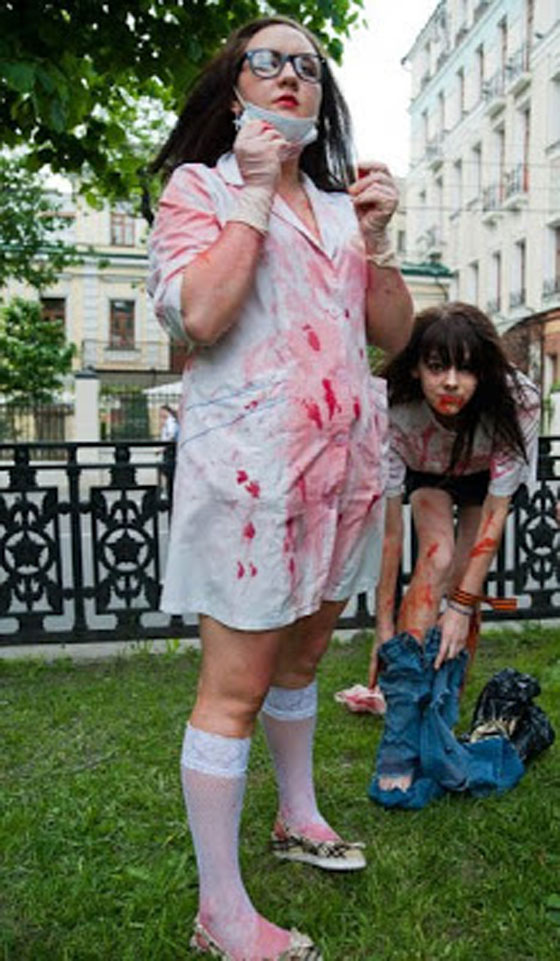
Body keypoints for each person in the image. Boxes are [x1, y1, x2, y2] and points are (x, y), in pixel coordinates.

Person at [148, 15, 413, 960]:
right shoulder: (201, 189)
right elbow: (201, 315)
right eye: (269, 61)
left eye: (309, 64)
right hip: (250, 478)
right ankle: (220, 911)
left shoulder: (341, 209)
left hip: (339, 474)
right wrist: (256, 196)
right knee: (234, 688)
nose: (292, 74)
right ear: (236, 92)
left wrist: (377, 240)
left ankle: (297, 814)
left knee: (301, 660)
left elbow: (393, 336)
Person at [369, 302, 540, 793]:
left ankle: (445, 706)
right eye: (437, 366)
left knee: (466, 580)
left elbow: (496, 513)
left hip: (485, 478)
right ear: (416, 367)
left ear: (484, 371)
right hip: (428, 470)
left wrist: (462, 606)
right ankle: (405, 710)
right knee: (437, 556)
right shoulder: (391, 406)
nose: (450, 382)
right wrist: (383, 629)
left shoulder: (517, 400)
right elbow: (390, 532)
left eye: (466, 369)